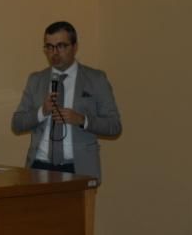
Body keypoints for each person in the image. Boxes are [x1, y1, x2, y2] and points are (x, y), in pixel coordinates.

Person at [11, 21, 121, 182]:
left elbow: (114, 126)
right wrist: (42, 111)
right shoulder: (36, 80)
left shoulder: (96, 79)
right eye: (49, 47)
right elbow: (17, 124)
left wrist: (83, 120)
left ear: (75, 47)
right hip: (39, 167)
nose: (54, 52)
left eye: (61, 46)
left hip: (79, 168)